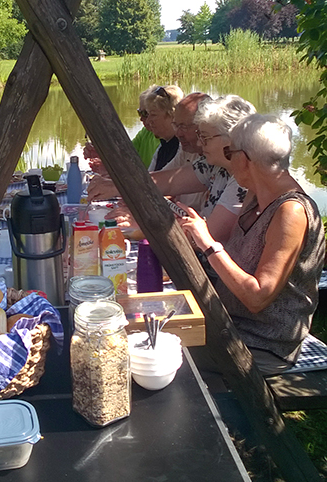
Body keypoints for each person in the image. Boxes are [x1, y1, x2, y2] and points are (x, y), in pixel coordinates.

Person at [178, 114, 325, 374]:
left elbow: (258, 297)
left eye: (229, 151)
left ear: (244, 159)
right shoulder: (255, 197)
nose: (227, 160)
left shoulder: (291, 211)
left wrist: (208, 244)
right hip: (231, 324)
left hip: (265, 343)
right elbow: (236, 261)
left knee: (166, 356)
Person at [88, 95, 255, 244]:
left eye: (205, 137)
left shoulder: (243, 180)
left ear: (231, 138)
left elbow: (208, 236)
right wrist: (115, 185)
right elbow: (168, 183)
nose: (199, 143)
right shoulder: (215, 166)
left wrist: (143, 222)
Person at [144, 85, 183, 171]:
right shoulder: (162, 147)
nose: (148, 121)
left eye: (153, 115)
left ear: (172, 115)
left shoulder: (184, 148)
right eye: (148, 114)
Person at [131, 85, 162, 167]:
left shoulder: (169, 140)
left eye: (145, 114)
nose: (141, 119)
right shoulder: (146, 131)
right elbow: (126, 152)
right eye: (139, 112)